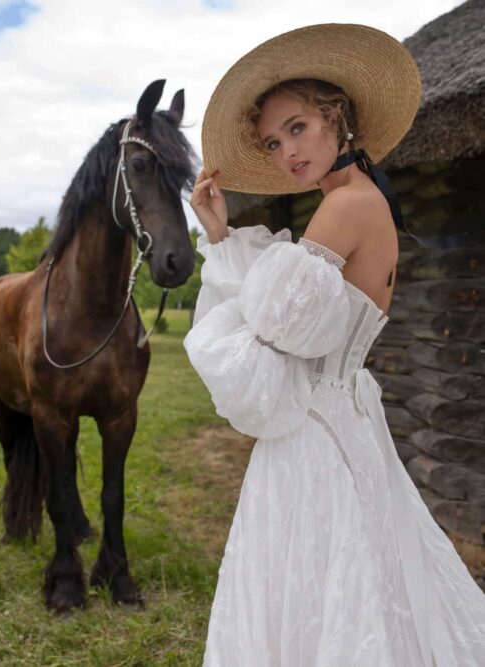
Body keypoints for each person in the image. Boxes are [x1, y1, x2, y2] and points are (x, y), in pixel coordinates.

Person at [183, 23, 485, 667]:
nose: (286, 149)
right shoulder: (355, 198)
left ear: (336, 117)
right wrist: (221, 236)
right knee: (362, 578)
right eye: (272, 140)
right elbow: (282, 312)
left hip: (315, 432)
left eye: (298, 126)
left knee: (322, 581)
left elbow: (273, 329)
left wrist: (226, 260)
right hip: (340, 418)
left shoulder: (345, 206)